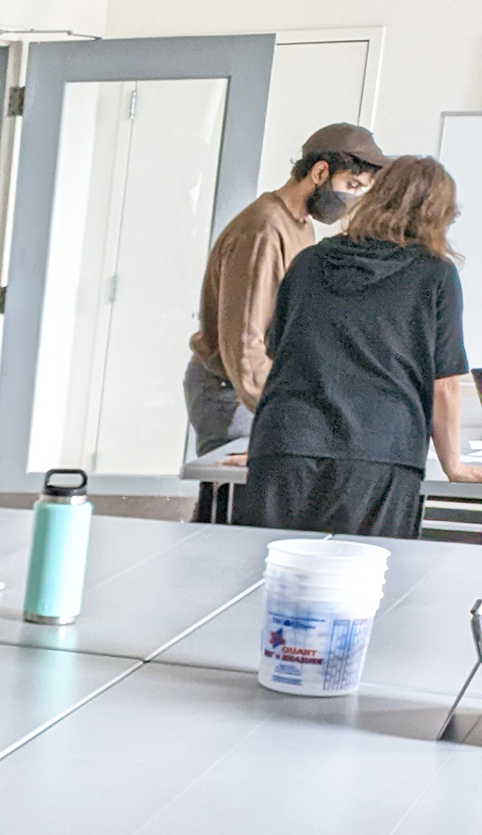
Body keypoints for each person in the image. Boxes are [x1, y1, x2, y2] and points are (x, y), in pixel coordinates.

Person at [236, 156, 480, 536]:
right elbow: (444, 383)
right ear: (440, 215)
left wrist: (270, 440)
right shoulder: (435, 273)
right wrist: (454, 466)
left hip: (286, 445)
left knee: (268, 578)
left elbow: (280, 350)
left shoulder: (308, 262)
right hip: (378, 453)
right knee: (360, 583)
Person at [186, 123, 385, 455]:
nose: (353, 199)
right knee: (235, 500)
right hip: (235, 392)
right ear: (320, 172)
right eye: (351, 185)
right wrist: (281, 415)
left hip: (256, 388)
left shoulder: (299, 225)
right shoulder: (264, 229)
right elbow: (244, 344)